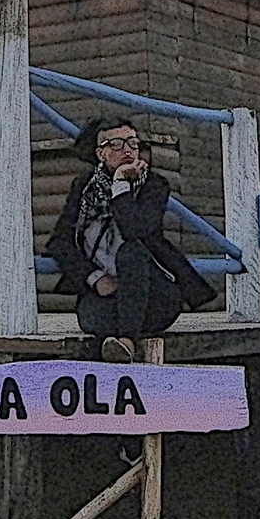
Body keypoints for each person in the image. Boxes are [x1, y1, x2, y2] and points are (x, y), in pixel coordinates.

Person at [46, 116, 217, 362]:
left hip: (154, 295)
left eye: (133, 143)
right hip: (107, 295)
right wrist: (95, 279)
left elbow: (136, 231)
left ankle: (126, 341)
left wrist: (120, 185)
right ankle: (120, 343)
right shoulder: (84, 188)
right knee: (93, 320)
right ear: (101, 153)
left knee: (131, 251)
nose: (127, 150)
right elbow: (59, 242)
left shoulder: (154, 185)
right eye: (117, 144)